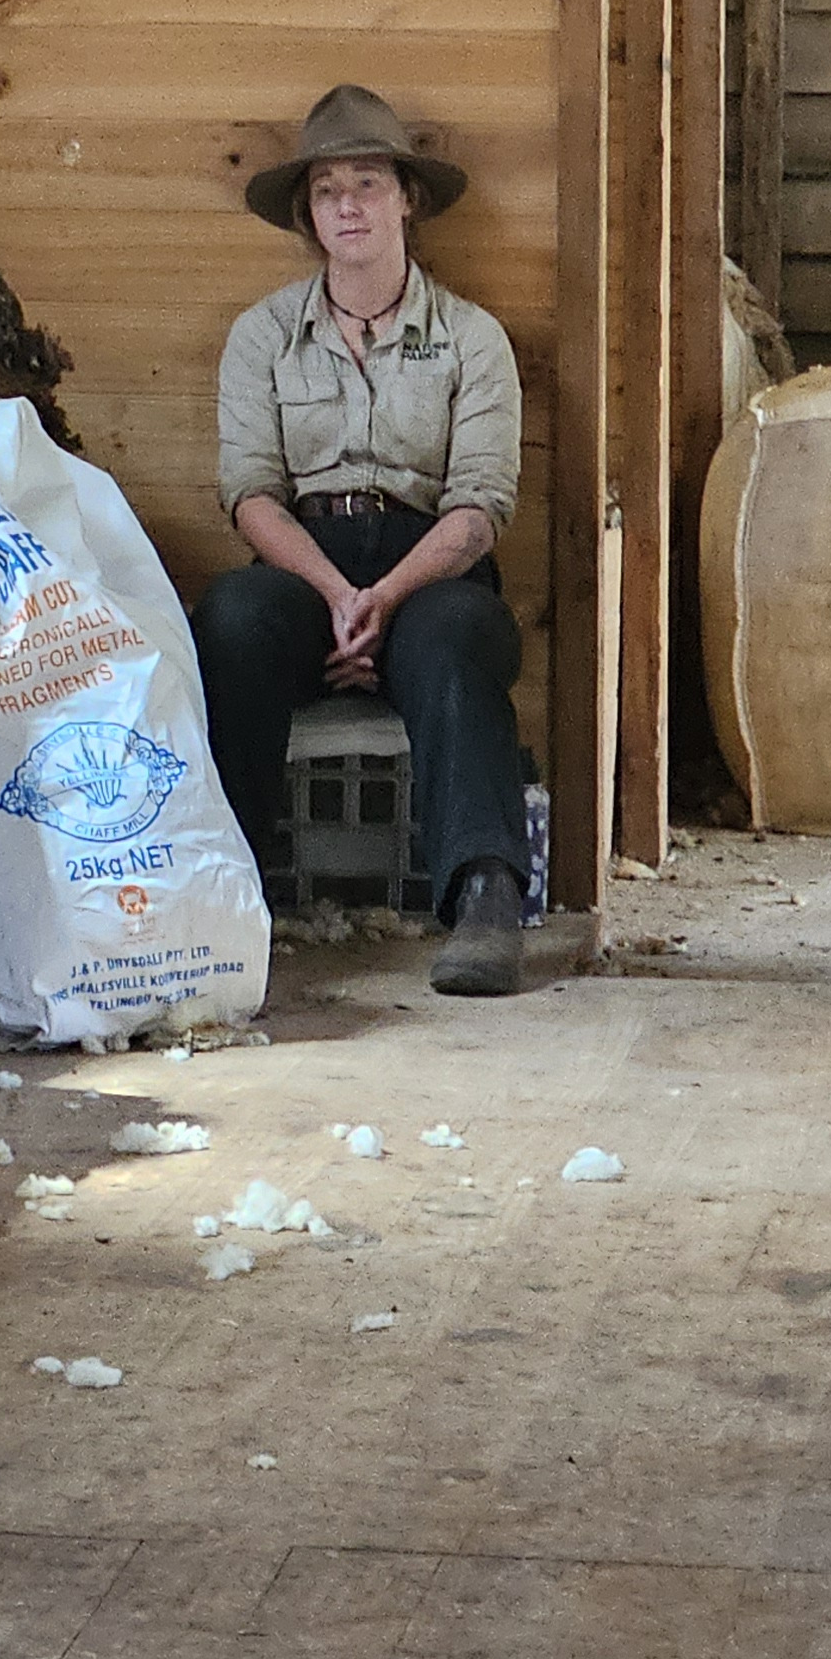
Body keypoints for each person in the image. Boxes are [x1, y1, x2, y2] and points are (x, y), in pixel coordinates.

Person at [190, 83, 535, 998]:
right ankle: (231, 891)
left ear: (406, 201)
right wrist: (339, 596)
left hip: (431, 568)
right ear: (309, 211)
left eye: (369, 184)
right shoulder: (261, 336)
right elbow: (251, 496)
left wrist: (382, 599)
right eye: (329, 188)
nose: (349, 204)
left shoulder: (471, 339)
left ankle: (486, 897)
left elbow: (479, 508)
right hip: (305, 564)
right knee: (231, 618)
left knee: (460, 638)